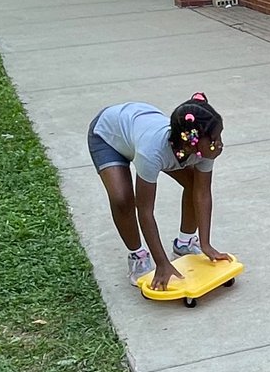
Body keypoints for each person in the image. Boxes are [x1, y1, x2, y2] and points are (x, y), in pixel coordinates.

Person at [87, 93, 230, 288]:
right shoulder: (152, 152)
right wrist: (162, 263)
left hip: (138, 125)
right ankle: (138, 255)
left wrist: (206, 244)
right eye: (215, 139)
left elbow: (202, 193)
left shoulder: (204, 149)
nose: (220, 143)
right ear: (191, 141)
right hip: (108, 134)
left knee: (193, 184)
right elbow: (145, 211)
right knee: (122, 199)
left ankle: (185, 243)